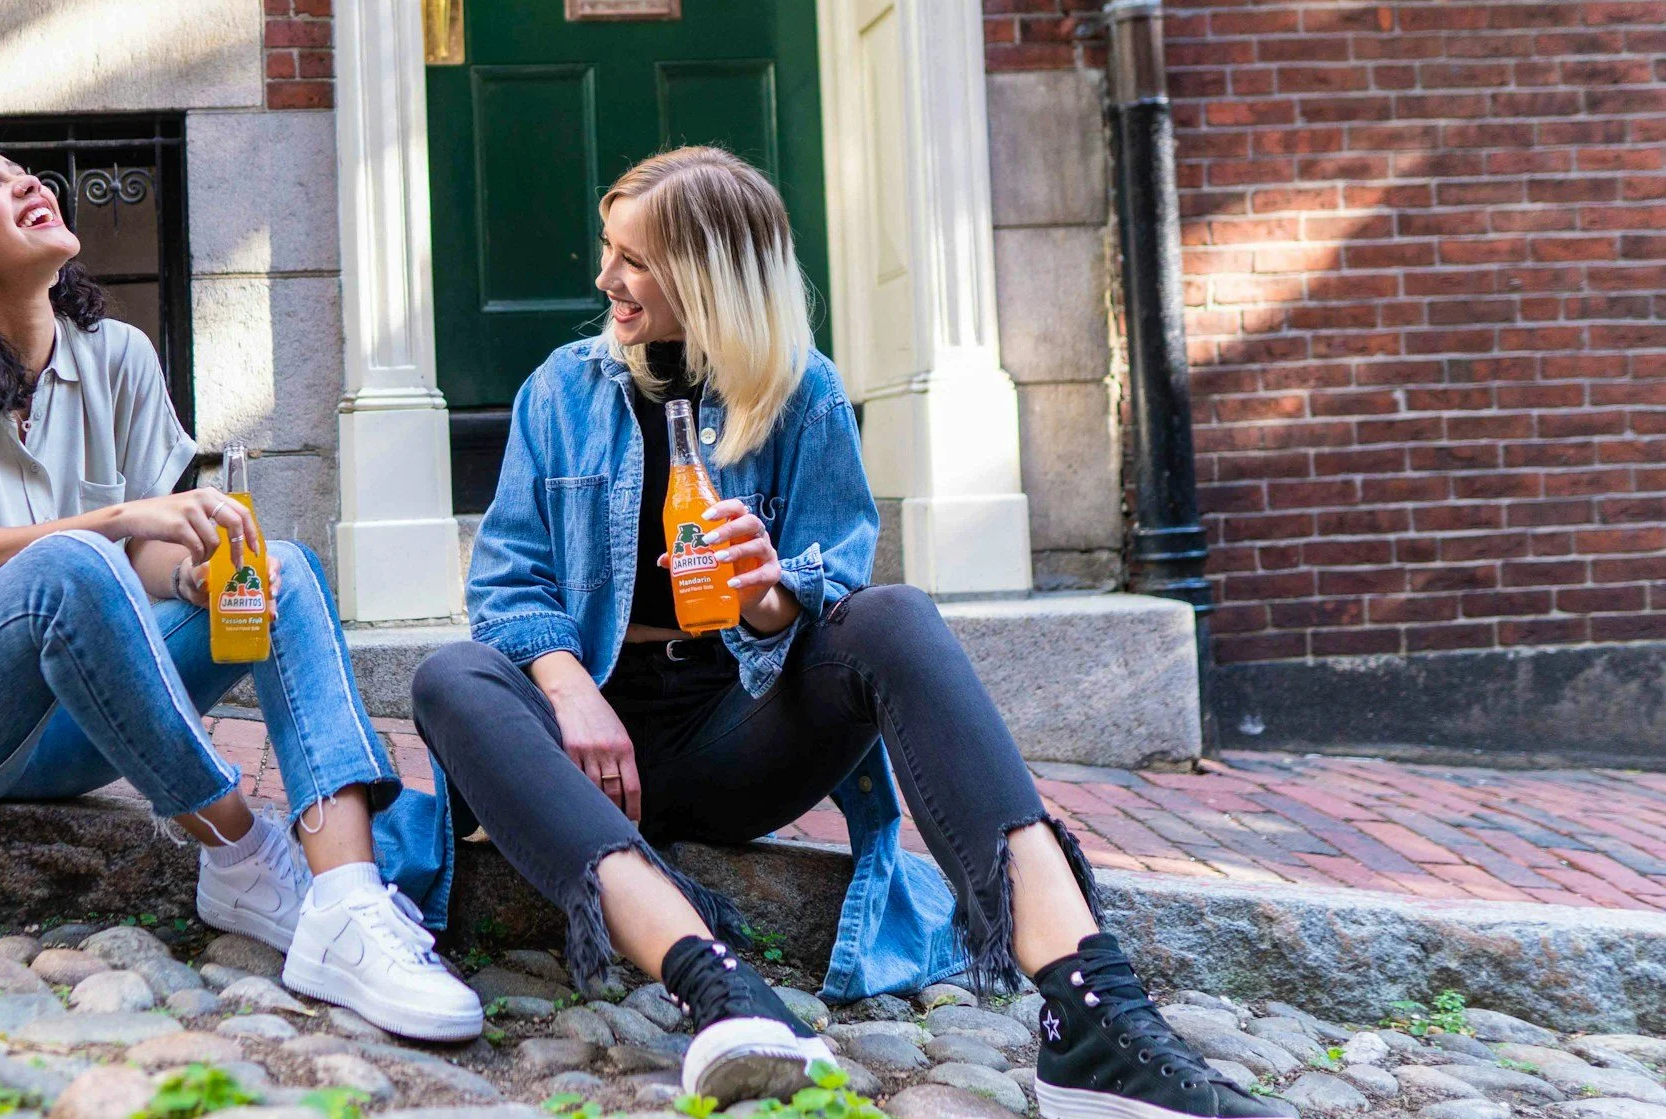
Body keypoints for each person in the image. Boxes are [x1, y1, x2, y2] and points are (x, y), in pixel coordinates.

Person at [412, 147, 1292, 1114]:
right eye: (606, 248)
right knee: (452, 676)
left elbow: (836, 577)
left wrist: (767, 595)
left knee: (895, 616)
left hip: (732, 737)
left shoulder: (803, 392)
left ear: (710, 275)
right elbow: (505, 582)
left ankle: (1092, 1007)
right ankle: (723, 990)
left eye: (635, 259)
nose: (605, 278)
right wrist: (568, 684)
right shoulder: (559, 389)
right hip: (582, 756)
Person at [0, 131, 481, 1041]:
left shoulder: (118, 356)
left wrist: (195, 574)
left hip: (80, 719)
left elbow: (143, 562)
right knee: (69, 563)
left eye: (27, 173)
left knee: (280, 569)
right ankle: (242, 849)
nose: (28, 186)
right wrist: (115, 522)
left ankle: (346, 901)